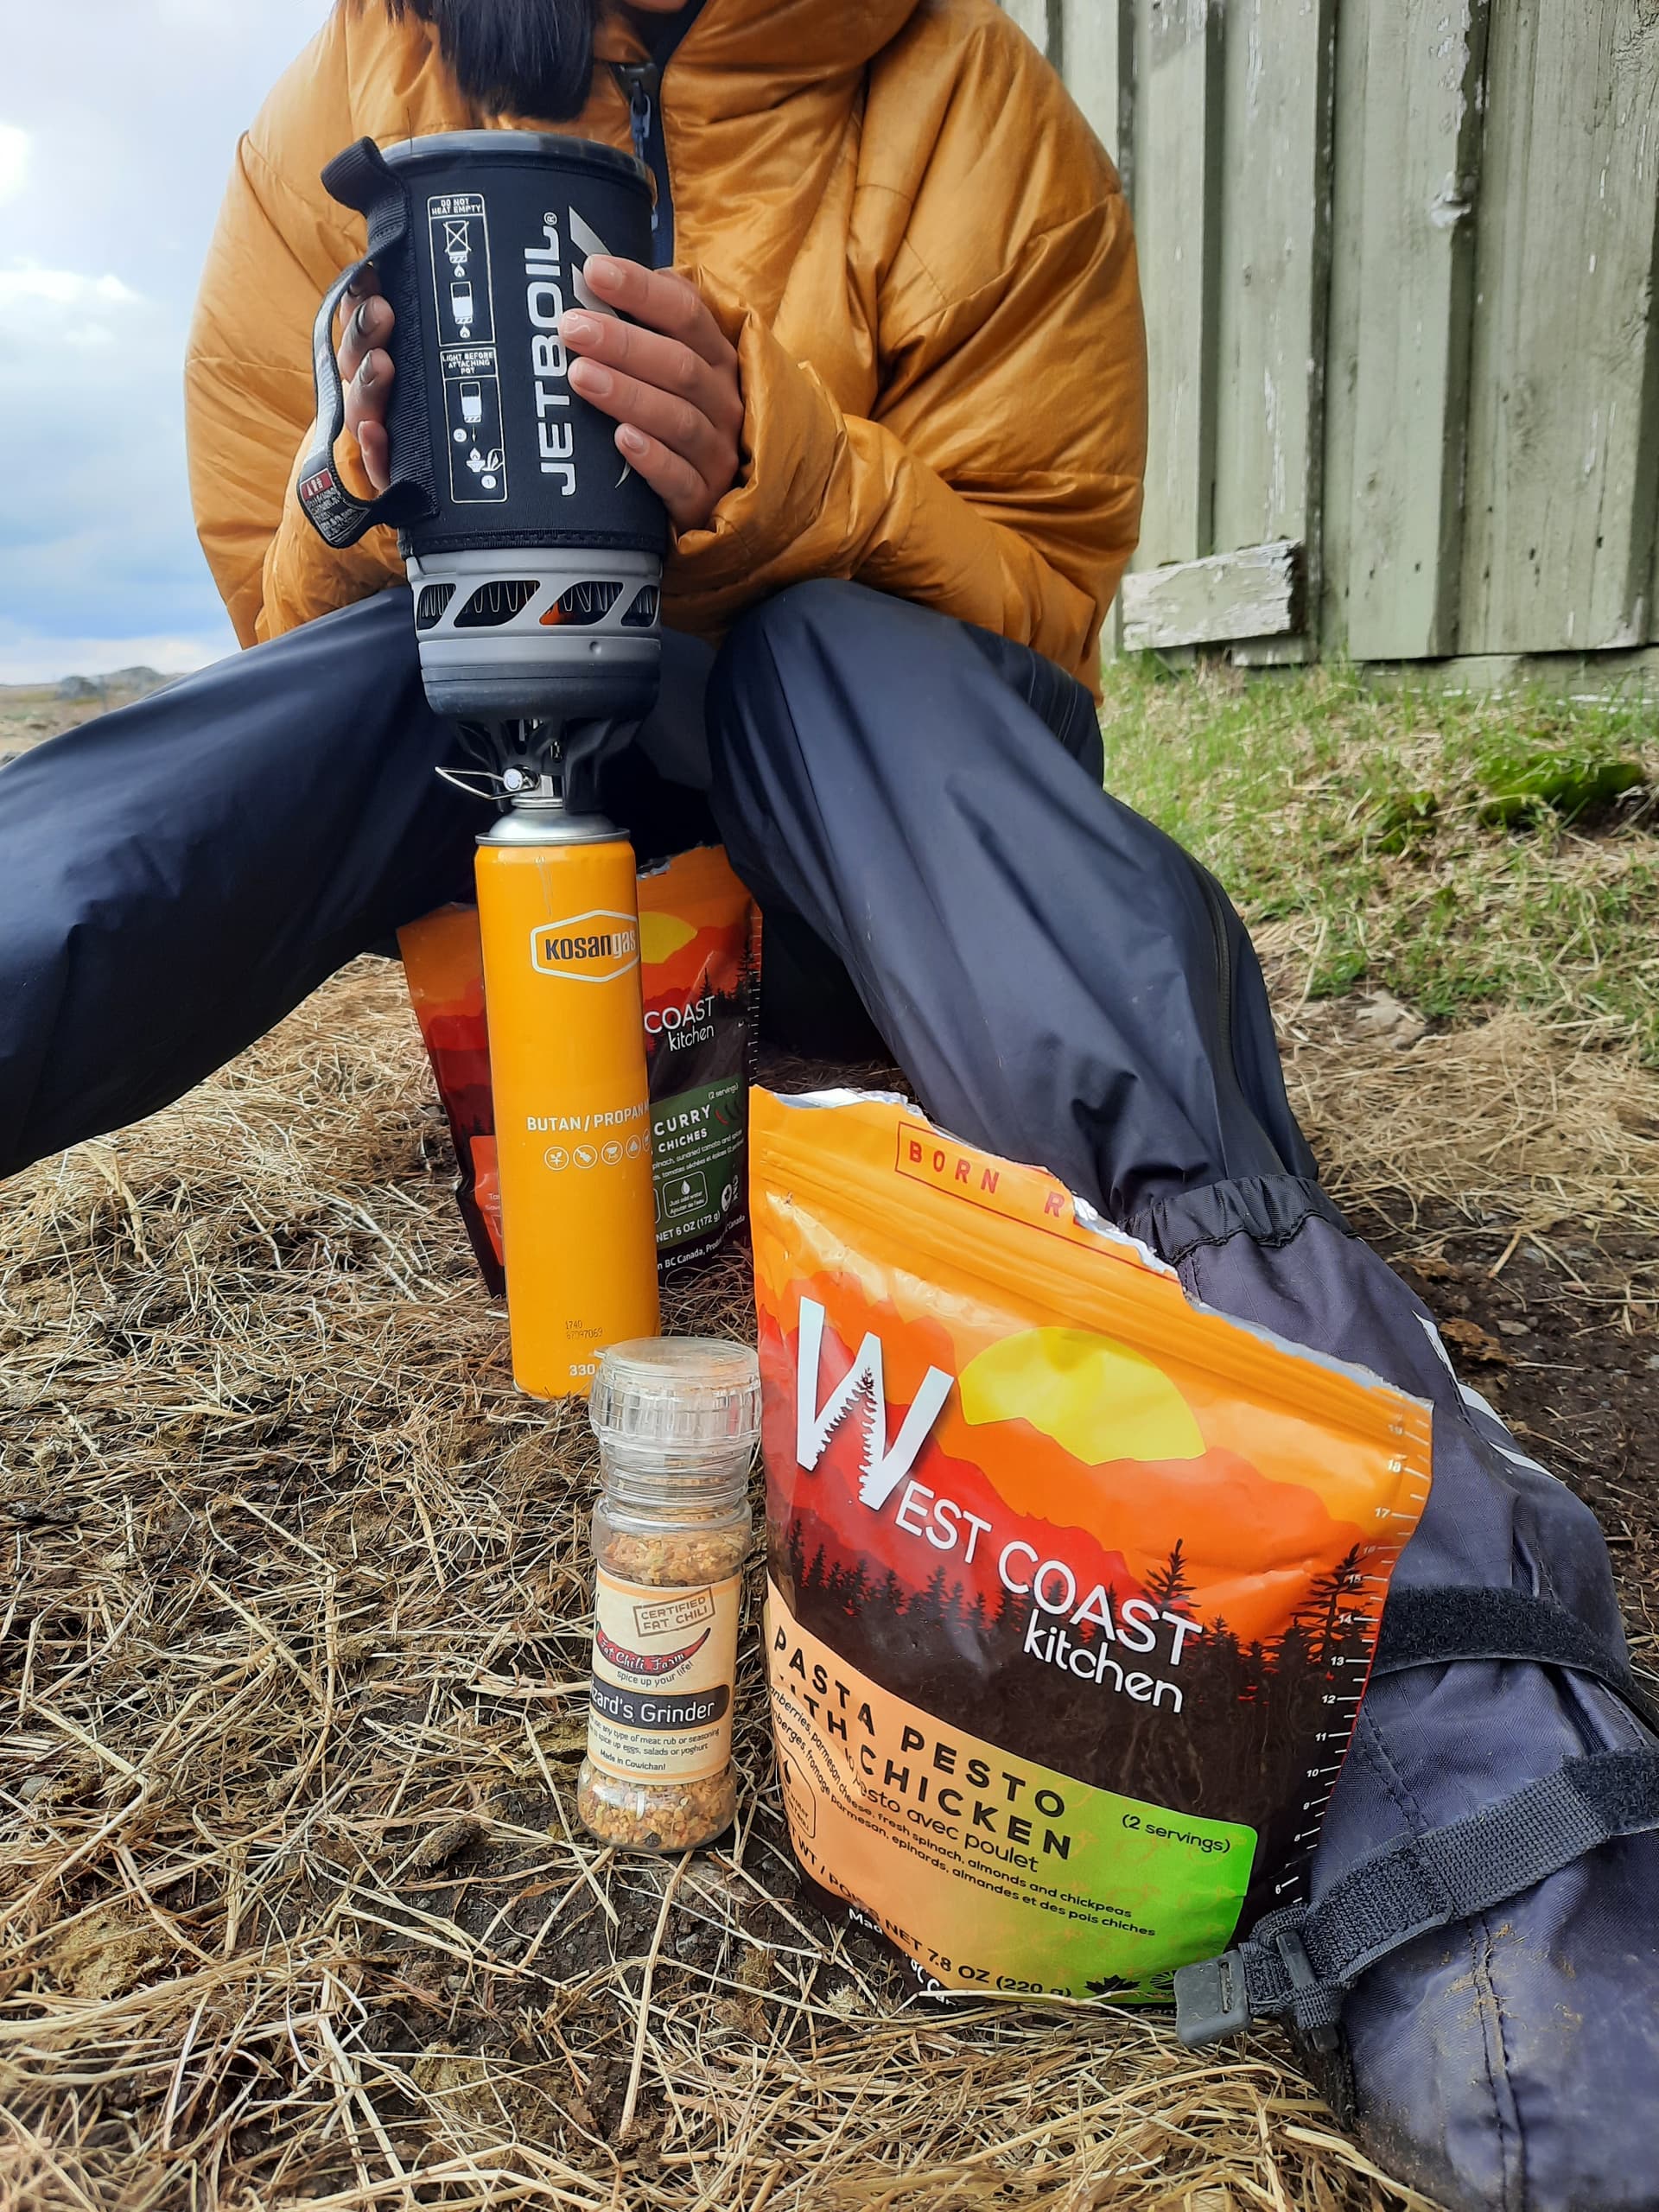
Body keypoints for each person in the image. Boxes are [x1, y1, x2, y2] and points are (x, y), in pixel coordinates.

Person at [3, 6, 1656, 2207]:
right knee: (289, 726)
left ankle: (1474, 1744)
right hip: (515, 781)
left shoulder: (975, 102)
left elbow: (1038, 630)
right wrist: (348, 496)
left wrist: (797, 474)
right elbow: (270, 614)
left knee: (819, 658)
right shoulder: (346, 106)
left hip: (861, 809)